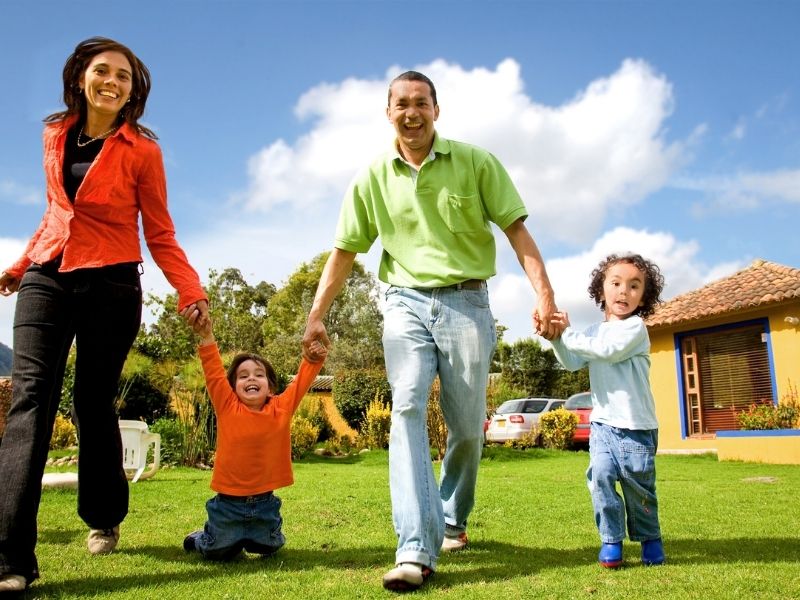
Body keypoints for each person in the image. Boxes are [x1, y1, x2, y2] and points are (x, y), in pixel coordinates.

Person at [302, 71, 557, 592]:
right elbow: (345, 251)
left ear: (436, 110)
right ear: (388, 111)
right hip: (404, 302)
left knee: (466, 427)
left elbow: (516, 230)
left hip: (467, 301)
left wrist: (545, 295)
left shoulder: (476, 162)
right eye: (401, 104)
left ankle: (451, 517)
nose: (411, 112)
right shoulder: (372, 177)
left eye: (421, 103)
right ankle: (414, 548)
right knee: (409, 405)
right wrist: (316, 314)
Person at [0, 37, 208, 593]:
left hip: (112, 282)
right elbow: (54, 211)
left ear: (133, 90)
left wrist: (190, 292)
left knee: (92, 403)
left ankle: (103, 514)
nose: (112, 81)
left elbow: (160, 232)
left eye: (123, 75)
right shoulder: (54, 134)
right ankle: (10, 558)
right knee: (29, 400)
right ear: (81, 78)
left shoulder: (143, 150)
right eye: (102, 71)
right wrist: (22, 265)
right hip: (49, 274)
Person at [547, 253, 666, 569]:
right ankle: (611, 541)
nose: (624, 291)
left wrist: (568, 333)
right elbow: (572, 361)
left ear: (643, 296)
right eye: (616, 283)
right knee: (600, 477)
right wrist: (556, 336)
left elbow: (607, 352)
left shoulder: (634, 329)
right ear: (601, 291)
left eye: (634, 286)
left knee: (638, 488)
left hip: (636, 426)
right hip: (602, 425)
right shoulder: (590, 333)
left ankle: (650, 540)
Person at [180, 309, 327, 560]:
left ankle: (246, 536)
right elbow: (214, 370)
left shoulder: (280, 407)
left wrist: (313, 359)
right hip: (228, 506)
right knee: (217, 552)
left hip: (265, 505)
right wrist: (206, 335)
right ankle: (201, 538)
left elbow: (301, 381)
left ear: (270, 386)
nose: (252, 379)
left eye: (259, 375)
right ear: (233, 387)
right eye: (243, 376)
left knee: (269, 547)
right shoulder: (227, 406)